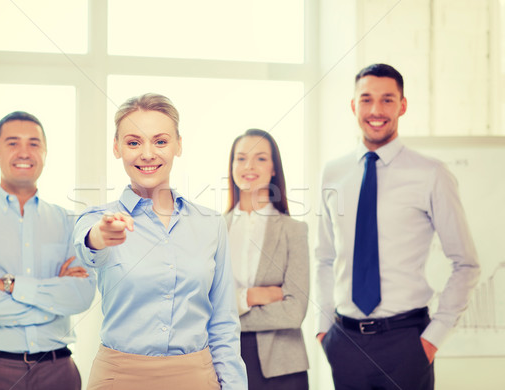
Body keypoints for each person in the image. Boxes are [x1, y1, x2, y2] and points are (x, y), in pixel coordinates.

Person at [315, 63, 480, 389]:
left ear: (403, 105)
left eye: (387, 99)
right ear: (353, 105)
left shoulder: (431, 174)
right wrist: (324, 331)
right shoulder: (333, 173)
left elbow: (466, 264)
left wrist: (432, 339)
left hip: (406, 344)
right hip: (345, 343)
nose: (376, 110)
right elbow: (324, 257)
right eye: (366, 99)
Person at [73, 93, 247, 390]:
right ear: (116, 148)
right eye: (133, 142)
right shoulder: (99, 219)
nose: (148, 154)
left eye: (160, 141)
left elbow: (223, 323)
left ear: (179, 145)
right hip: (119, 379)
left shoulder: (210, 224)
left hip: (196, 378)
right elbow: (87, 247)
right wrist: (100, 237)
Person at [0, 111, 96, 390]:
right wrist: (52, 301)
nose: (24, 152)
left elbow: (81, 297)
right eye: (13, 143)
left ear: (45, 153)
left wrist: (9, 284)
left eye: (34, 143)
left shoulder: (70, 222)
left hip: (58, 371)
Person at [225, 129, 310, 390]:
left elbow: (294, 312)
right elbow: (204, 302)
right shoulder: (215, 230)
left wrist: (230, 313)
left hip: (283, 367)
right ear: (231, 167)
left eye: (260, 158)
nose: (249, 166)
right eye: (241, 158)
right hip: (226, 361)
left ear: (274, 169)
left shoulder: (293, 230)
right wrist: (250, 297)